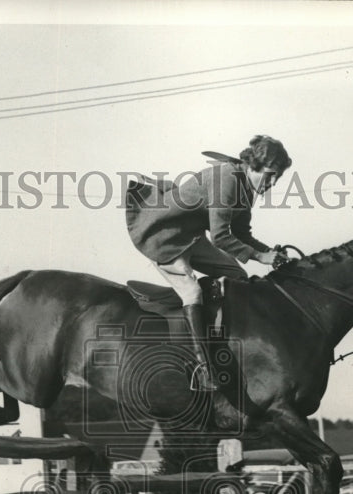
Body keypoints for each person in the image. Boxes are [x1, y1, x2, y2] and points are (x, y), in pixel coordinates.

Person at [125, 134, 292, 391]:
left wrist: (269, 253)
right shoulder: (227, 179)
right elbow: (221, 237)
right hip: (163, 235)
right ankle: (203, 369)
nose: (272, 183)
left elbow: (242, 235)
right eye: (269, 174)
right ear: (252, 166)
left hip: (190, 235)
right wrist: (260, 256)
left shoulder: (247, 187)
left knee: (236, 274)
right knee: (191, 291)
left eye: (277, 178)